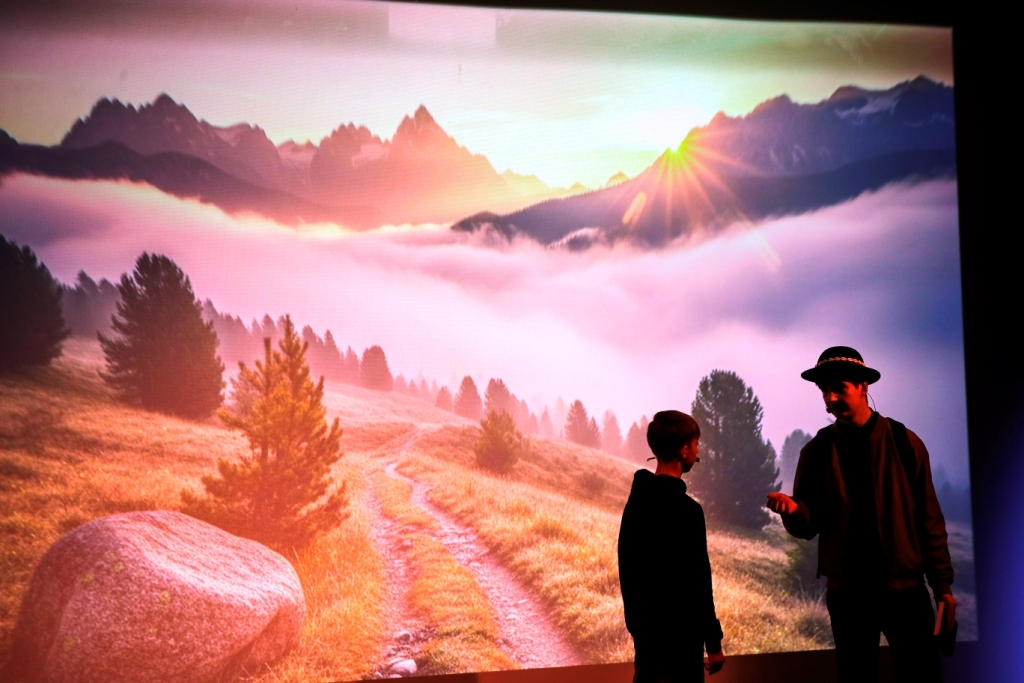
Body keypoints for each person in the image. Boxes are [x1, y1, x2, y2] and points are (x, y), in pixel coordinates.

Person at [766, 346, 956, 683]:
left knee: (922, 676)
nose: (830, 398)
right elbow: (809, 525)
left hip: (904, 592)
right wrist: (794, 510)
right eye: (825, 390)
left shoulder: (904, 442)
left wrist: (942, 586)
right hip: (848, 597)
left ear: (863, 386)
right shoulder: (816, 451)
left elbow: (929, 520)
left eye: (839, 388)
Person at [618, 410, 725, 683]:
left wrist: (638, 626)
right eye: (696, 444)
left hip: (646, 641)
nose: (698, 451)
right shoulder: (688, 511)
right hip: (681, 644)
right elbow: (699, 580)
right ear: (684, 450)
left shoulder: (636, 502)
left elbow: (627, 566)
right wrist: (713, 643)